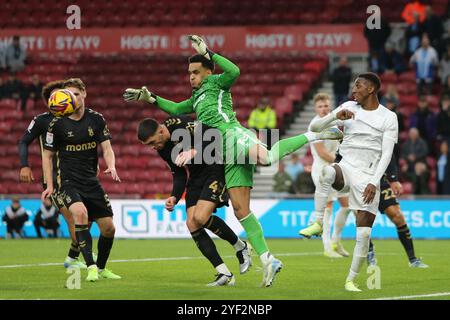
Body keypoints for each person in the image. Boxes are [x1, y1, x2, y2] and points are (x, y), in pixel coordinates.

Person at [124, 35, 343, 287]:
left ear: (208, 71)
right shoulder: (196, 98)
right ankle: (268, 259)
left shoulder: (217, 82)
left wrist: (209, 52)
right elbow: (174, 110)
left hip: (232, 133)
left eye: (196, 72)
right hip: (224, 153)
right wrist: (150, 98)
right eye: (189, 73)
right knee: (241, 211)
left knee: (267, 157)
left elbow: (235, 71)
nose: (191, 77)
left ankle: (314, 133)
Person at [299, 73, 398, 292]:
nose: (354, 90)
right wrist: (335, 116)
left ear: (371, 89)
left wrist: (375, 182)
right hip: (347, 167)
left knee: (363, 234)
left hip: (369, 175)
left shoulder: (389, 117)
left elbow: (387, 154)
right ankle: (318, 223)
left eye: (359, 86)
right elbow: (316, 129)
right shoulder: (348, 107)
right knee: (326, 173)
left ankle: (351, 280)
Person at [137, 115, 252, 286]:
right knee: (192, 223)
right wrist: (174, 196)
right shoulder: (163, 149)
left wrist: (194, 151)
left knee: (201, 217)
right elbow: (179, 173)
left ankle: (240, 246)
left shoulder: (181, 125)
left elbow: (214, 135)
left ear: (161, 131)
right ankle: (224, 274)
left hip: (215, 167)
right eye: (149, 145)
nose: (153, 147)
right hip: (196, 176)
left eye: (153, 142)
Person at [41, 78, 121, 282]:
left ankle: (101, 268)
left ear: (84, 94)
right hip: (67, 180)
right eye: (68, 95)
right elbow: (47, 156)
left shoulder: (96, 119)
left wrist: (111, 165)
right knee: (80, 213)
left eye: (75, 94)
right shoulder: (56, 123)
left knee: (109, 228)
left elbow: (107, 147)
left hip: (90, 181)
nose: (72, 99)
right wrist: (50, 185)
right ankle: (90, 266)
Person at [18, 79, 88, 269]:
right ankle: (80, 257)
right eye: (55, 96)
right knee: (74, 218)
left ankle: (74, 256)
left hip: (79, 176)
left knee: (83, 219)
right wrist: (24, 165)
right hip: (55, 179)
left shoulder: (76, 117)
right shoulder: (42, 120)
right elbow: (24, 142)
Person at [304, 93, 351, 259]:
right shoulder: (314, 125)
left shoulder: (334, 122)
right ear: (315, 109)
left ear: (330, 106)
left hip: (336, 168)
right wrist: (343, 162)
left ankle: (336, 241)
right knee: (328, 207)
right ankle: (326, 247)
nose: (324, 109)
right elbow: (322, 152)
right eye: (320, 106)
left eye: (326, 105)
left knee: (347, 205)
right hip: (323, 170)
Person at [367, 155, 428, 268]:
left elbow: (389, 154)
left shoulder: (382, 137)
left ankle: (413, 260)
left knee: (398, 217)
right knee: (364, 220)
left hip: (381, 181)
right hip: (360, 181)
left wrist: (394, 179)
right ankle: (369, 252)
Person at [401, 128, 430, 194]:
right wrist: (408, 157)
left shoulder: (422, 142)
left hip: (420, 162)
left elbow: (425, 152)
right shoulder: (406, 143)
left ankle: (418, 190)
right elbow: (402, 154)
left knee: (418, 167)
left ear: (417, 134)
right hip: (409, 163)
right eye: (411, 133)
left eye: (414, 134)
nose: (412, 135)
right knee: (403, 168)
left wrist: (416, 157)